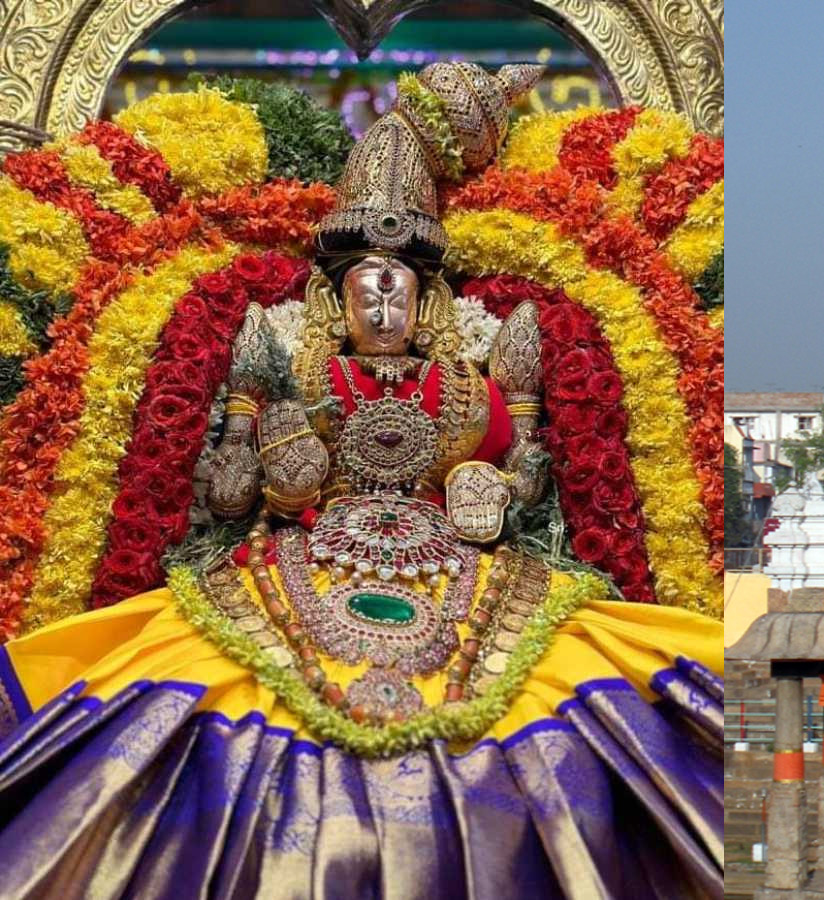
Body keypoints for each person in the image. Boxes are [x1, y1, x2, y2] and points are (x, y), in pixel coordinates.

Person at [0, 63, 723, 899]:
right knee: (196, 690)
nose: (382, 306)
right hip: (297, 556)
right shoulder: (292, 379)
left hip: (466, 564)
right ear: (332, 300)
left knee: (554, 689)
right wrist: (275, 477)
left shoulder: (469, 388)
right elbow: (229, 498)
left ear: (427, 305)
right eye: (364, 290)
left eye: (399, 289)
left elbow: (526, 475)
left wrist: (495, 491)